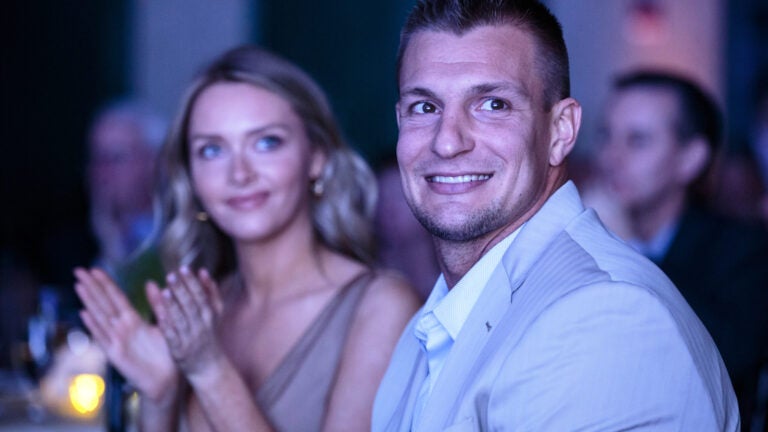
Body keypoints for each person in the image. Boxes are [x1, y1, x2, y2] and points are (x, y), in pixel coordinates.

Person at [372, 1, 739, 431]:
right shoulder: (428, 324)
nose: (447, 142)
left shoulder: (606, 319)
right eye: (425, 108)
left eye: (492, 105)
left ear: (561, 130)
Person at [74, 45, 420, 431]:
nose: (239, 173)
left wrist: (210, 370)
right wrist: (160, 396)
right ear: (191, 177)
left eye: (266, 142)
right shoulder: (204, 308)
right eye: (212, 150)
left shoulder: (382, 306)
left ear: (317, 155)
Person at [594, 70, 768, 430]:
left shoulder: (744, 249)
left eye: (637, 140)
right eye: (606, 136)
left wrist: (628, 251)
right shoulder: (583, 243)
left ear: (691, 159)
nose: (612, 156)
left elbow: (726, 358)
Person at [374, 159, 439, 300]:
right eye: (381, 199)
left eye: (400, 196)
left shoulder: (457, 272)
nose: (389, 209)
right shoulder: (373, 280)